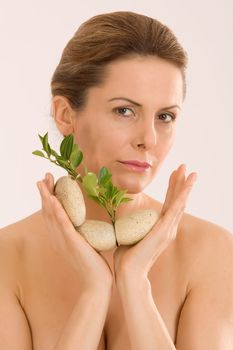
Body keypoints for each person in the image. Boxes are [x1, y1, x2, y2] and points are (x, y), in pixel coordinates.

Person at [0, 11, 232, 350]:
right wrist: (95, 290)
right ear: (65, 115)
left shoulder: (212, 252)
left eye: (165, 116)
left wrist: (135, 284)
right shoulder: (8, 259)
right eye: (125, 111)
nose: (148, 139)